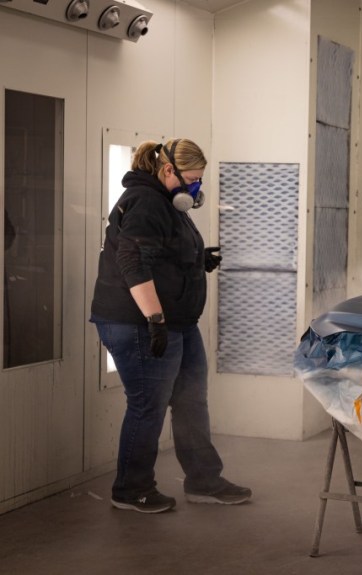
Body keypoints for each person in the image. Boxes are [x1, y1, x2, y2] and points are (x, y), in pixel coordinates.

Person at [90, 138, 249, 513]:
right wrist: (156, 321)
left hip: (177, 322)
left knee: (191, 400)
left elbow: (162, 252)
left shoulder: (166, 202)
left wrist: (196, 261)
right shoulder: (146, 202)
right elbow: (133, 263)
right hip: (141, 324)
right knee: (148, 406)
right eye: (191, 179)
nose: (195, 188)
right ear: (167, 171)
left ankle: (204, 481)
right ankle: (131, 490)